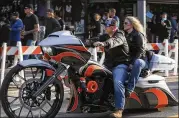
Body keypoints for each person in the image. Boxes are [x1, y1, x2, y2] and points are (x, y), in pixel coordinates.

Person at [88, 19, 130, 118]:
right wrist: (87, 42)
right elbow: (96, 38)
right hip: (109, 66)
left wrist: (104, 44)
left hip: (121, 65)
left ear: (113, 27)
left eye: (106, 26)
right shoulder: (106, 36)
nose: (104, 28)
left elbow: (114, 41)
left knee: (117, 82)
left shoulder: (120, 35)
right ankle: (98, 103)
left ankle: (119, 110)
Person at [123, 16, 147, 97]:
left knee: (137, 62)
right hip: (129, 60)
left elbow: (141, 51)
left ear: (132, 25)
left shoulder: (138, 35)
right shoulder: (125, 35)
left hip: (141, 61)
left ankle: (130, 88)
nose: (124, 24)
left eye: (126, 23)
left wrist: (132, 63)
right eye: (124, 23)